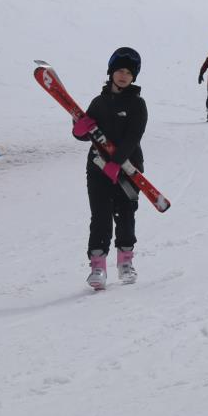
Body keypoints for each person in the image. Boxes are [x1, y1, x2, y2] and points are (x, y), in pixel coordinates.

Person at [71, 47, 147, 290]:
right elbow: (88, 134)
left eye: (128, 72)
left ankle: (125, 262)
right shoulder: (99, 102)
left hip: (128, 167)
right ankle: (98, 267)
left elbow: (133, 137)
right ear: (111, 72)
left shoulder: (138, 104)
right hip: (97, 167)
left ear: (134, 76)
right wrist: (78, 130)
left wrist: (117, 163)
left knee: (125, 214)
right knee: (100, 215)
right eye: (119, 71)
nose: (123, 75)